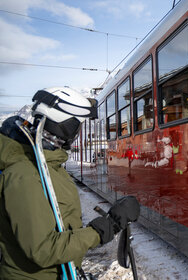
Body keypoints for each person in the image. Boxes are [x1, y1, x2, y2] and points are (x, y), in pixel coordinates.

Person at [0, 87, 140, 280]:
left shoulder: (47, 165)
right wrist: (107, 227)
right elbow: (43, 249)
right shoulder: (25, 175)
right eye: (77, 126)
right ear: (65, 127)